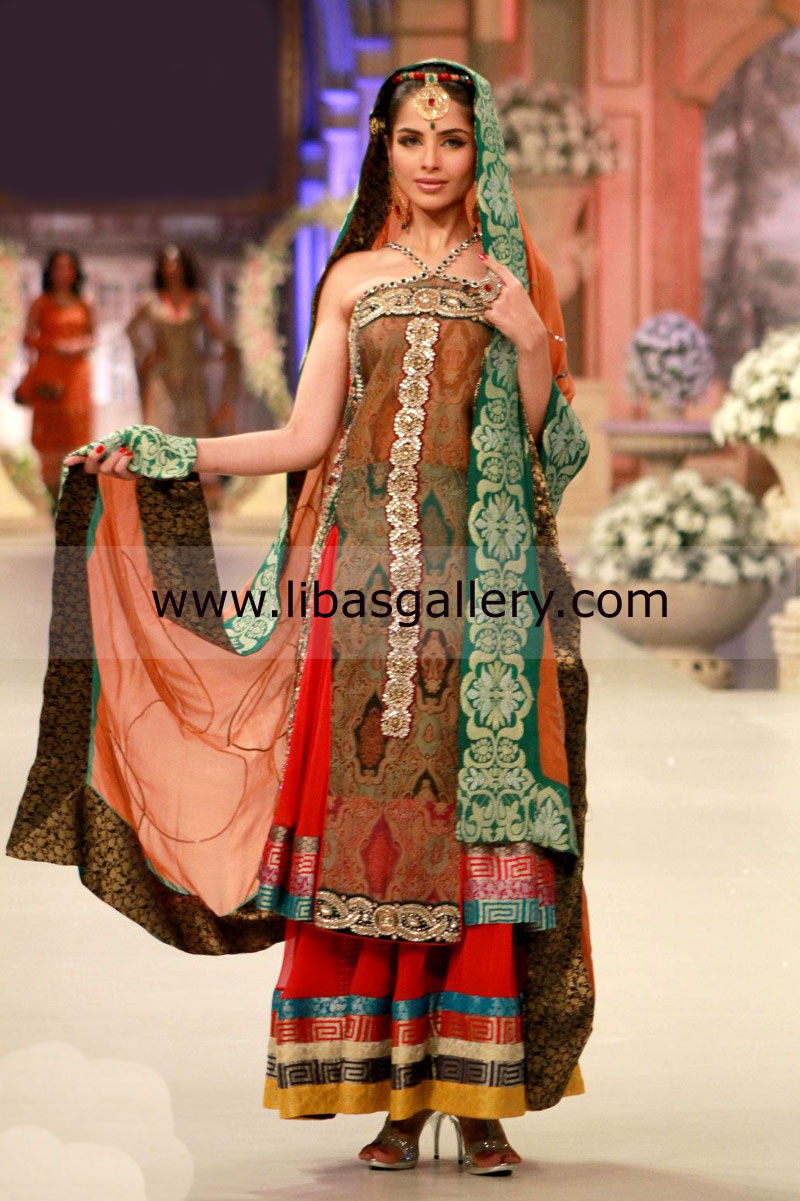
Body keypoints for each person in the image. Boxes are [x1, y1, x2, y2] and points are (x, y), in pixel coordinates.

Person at [7, 61, 593, 1179]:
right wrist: (164, 450)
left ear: (480, 152)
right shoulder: (353, 280)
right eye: (412, 138)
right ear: (384, 148)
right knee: (369, 839)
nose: (431, 159)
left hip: (479, 609)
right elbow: (303, 438)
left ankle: (477, 1099)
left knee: (475, 849)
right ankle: (389, 1097)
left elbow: (542, 452)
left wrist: (525, 338)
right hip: (357, 601)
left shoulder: (516, 279)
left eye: (452, 139)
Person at [126, 244, 236, 439]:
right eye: (168, 264)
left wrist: (224, 351)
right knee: (162, 425)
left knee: (195, 428)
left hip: (191, 371)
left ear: (185, 267)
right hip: (162, 372)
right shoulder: (151, 301)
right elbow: (131, 329)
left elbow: (219, 334)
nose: (172, 269)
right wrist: (145, 354)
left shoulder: (198, 301)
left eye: (176, 264)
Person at [16, 249, 95, 507]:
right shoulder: (41, 303)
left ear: (75, 272)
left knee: (76, 436)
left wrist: (77, 345)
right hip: (49, 376)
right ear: (50, 271)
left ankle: (73, 498)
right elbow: (27, 338)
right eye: (58, 267)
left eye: (68, 267)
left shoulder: (84, 302)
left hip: (77, 377)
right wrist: (53, 345)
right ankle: (53, 499)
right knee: (49, 438)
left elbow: (93, 337)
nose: (63, 273)